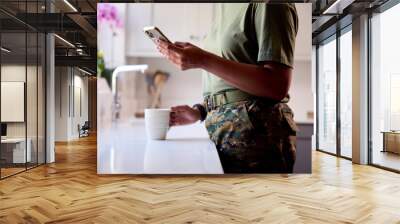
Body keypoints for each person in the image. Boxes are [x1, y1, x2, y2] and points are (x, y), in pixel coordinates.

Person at [156, 3, 299, 173]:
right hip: (223, 135)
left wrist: (202, 59)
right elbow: (230, 84)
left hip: (256, 136)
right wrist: (200, 111)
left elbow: (276, 85)